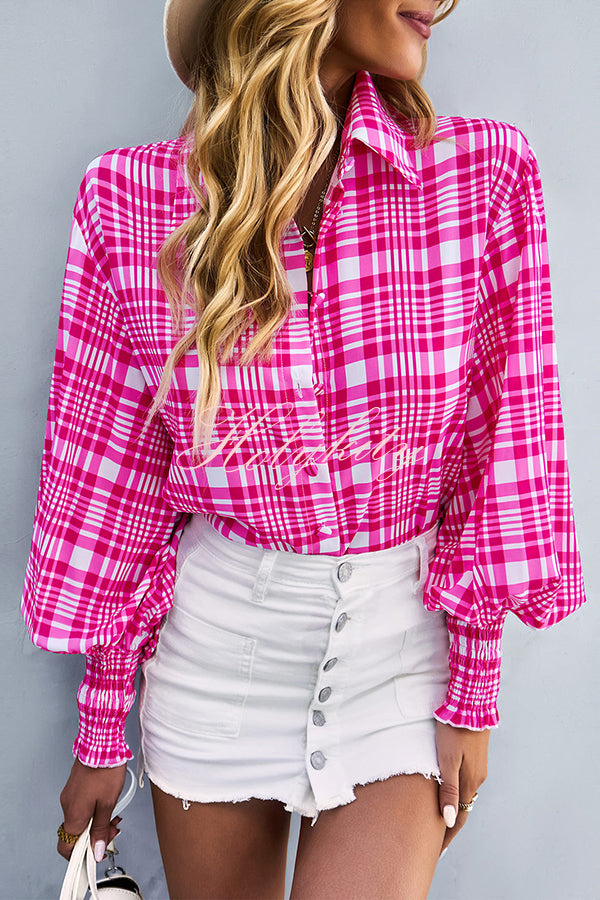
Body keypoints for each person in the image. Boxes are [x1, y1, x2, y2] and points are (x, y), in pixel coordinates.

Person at [21, 1, 587, 898]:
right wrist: (100, 734)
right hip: (215, 666)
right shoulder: (131, 202)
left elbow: (501, 447)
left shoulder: (481, 176)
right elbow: (109, 485)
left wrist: (473, 689)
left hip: (400, 662)